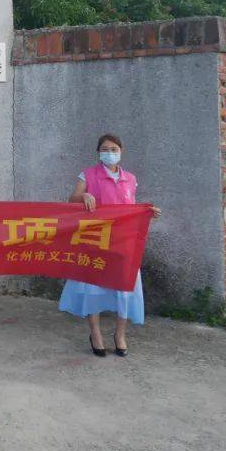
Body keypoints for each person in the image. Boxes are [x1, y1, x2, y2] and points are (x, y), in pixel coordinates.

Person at [59, 133, 161, 357]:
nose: (110, 153)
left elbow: (132, 209)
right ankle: (95, 332)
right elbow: (72, 199)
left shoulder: (131, 179)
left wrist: (147, 214)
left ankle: (120, 334)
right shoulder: (87, 175)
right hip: (96, 239)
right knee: (92, 288)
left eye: (114, 149)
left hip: (124, 242)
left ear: (121, 151)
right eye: (105, 149)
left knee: (124, 287)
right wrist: (83, 196)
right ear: (99, 152)